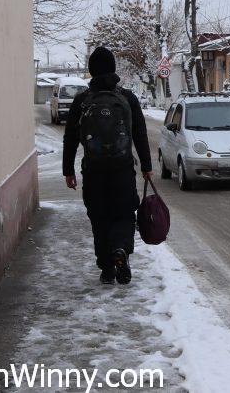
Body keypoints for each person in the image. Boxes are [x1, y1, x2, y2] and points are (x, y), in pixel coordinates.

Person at [63, 47, 152, 285]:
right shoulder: (128, 98)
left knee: (99, 217)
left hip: (93, 171)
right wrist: (146, 165)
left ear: (92, 71)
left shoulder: (82, 101)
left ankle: (106, 268)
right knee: (123, 214)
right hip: (122, 169)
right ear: (113, 68)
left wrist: (68, 171)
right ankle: (121, 250)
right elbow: (140, 134)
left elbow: (70, 137)